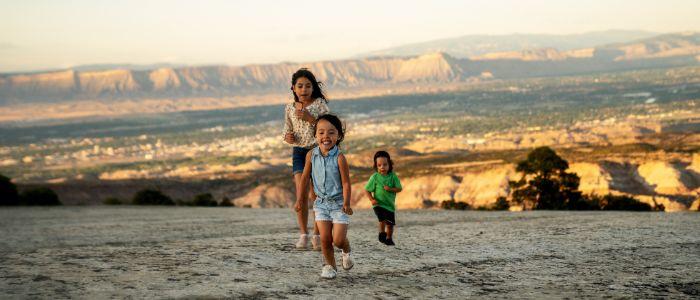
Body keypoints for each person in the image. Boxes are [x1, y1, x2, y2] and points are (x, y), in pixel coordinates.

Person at [297, 114, 354, 279]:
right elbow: (304, 179)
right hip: (320, 204)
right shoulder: (311, 156)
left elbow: (346, 183)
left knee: (338, 240)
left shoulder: (340, 158)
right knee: (325, 239)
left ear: (339, 135)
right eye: (321, 133)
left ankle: (346, 249)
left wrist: (347, 203)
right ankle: (330, 266)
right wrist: (300, 200)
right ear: (315, 135)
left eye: (331, 132)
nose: (326, 137)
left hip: (339, 205)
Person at [283, 68, 330, 250]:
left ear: (313, 88)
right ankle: (303, 234)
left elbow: (328, 126)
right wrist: (288, 137)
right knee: (301, 194)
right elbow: (286, 130)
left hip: (317, 151)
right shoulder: (289, 108)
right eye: (300, 86)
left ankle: (317, 235)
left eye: (308, 86)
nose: (304, 89)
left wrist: (311, 119)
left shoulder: (319, 105)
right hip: (299, 152)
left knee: (316, 195)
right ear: (293, 88)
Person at [364, 151, 402, 246]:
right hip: (378, 204)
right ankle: (381, 232)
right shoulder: (375, 177)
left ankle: (389, 238)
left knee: (390, 224)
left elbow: (399, 188)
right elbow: (367, 190)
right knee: (381, 219)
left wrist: (390, 189)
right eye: (379, 165)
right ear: (376, 166)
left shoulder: (393, 177)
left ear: (390, 164)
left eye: (385, 164)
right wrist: (372, 199)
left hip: (389, 205)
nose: (382, 167)